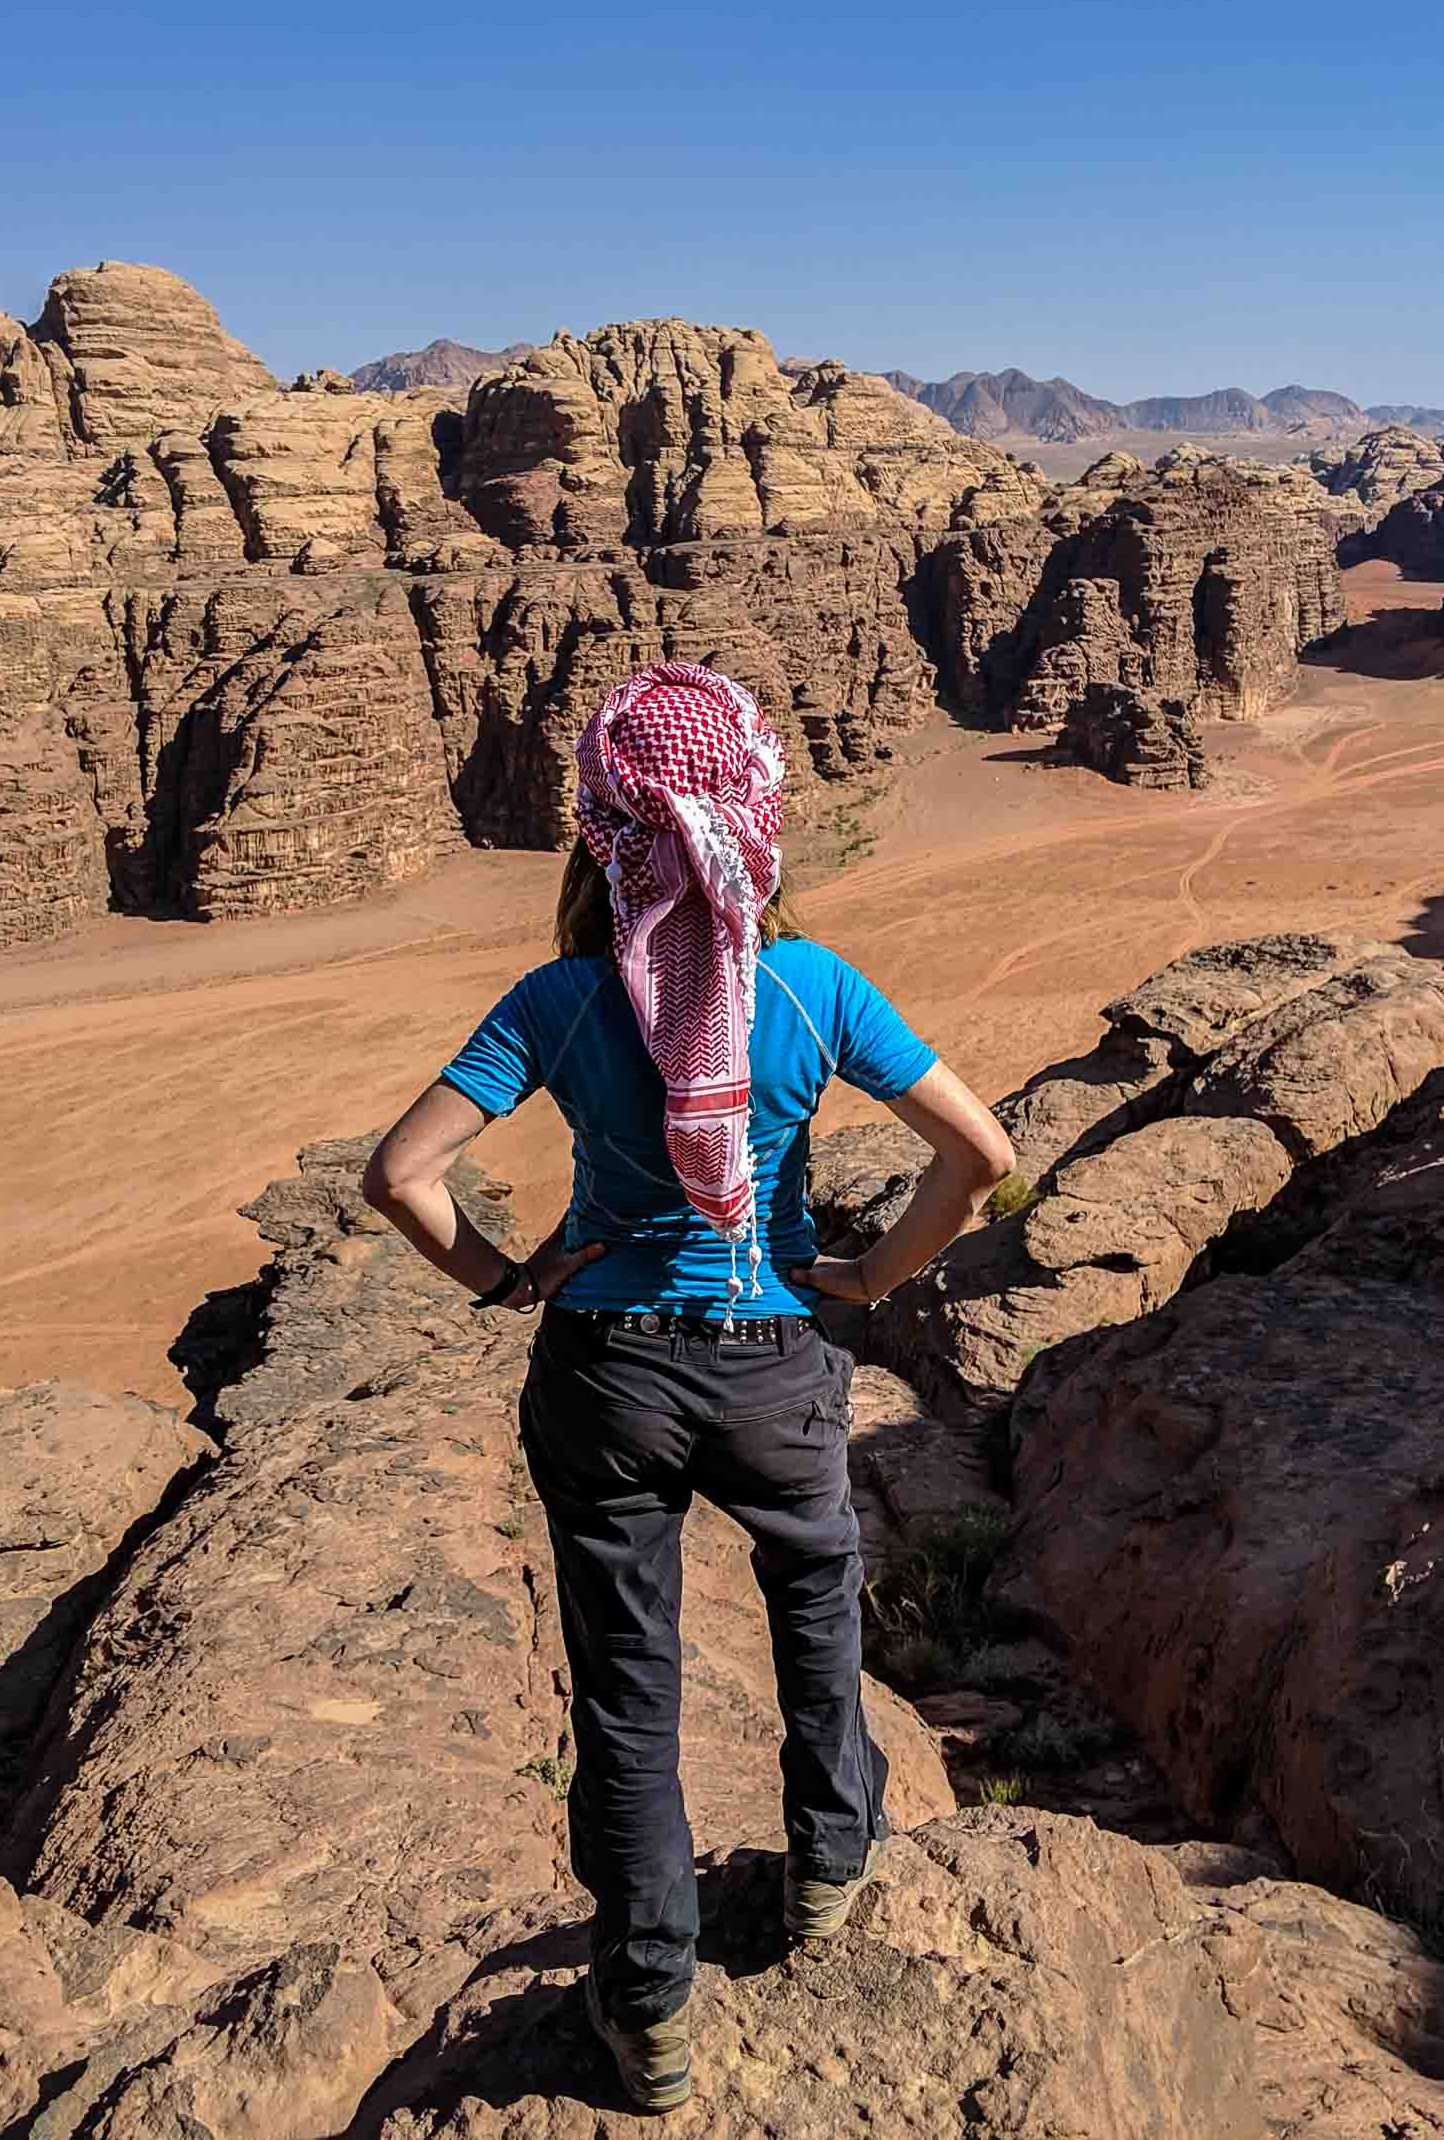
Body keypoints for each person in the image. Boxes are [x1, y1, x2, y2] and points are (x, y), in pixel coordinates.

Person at [362, 661, 1015, 2115]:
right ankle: (831, 1872)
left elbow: (397, 1177)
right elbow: (979, 1152)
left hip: (606, 1368)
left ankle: (650, 2003)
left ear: (605, 835)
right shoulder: (814, 985)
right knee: (816, 1608)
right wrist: (871, 1273)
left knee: (629, 1683)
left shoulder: (560, 997)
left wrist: (508, 1278)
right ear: (752, 821)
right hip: (774, 1353)